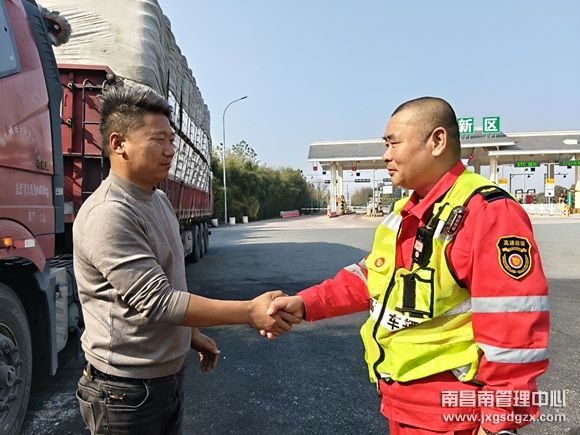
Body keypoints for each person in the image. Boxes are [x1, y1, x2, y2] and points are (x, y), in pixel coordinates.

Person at [268, 97, 549, 435]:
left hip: (453, 416)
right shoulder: (404, 212)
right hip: (401, 405)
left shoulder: (487, 213)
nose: (385, 155)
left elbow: (514, 329)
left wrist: (499, 422)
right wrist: (306, 303)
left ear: (437, 141)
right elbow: (371, 277)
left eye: (393, 143)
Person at [73, 86, 300, 435]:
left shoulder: (158, 200)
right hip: (124, 391)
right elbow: (158, 301)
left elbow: (168, 280)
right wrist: (248, 312)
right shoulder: (110, 213)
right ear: (118, 144)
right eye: (158, 140)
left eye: (171, 140)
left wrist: (191, 334)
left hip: (164, 378)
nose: (170, 150)